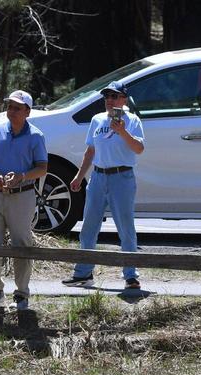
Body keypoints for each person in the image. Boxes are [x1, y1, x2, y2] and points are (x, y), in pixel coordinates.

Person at [63, 81, 145, 291]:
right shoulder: (97, 120)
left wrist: (123, 132)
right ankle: (83, 273)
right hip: (98, 177)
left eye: (115, 96)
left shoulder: (132, 120)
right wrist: (79, 176)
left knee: (125, 228)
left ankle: (130, 276)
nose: (110, 100)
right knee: (89, 227)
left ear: (124, 100)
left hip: (122, 177)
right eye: (107, 96)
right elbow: (90, 151)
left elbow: (139, 148)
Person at [0, 90, 48, 311]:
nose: (12, 111)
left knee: (22, 245)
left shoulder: (36, 136)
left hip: (23, 196)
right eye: (9, 106)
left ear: (27, 111)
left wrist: (22, 176)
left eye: (17, 107)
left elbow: (42, 168)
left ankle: (22, 295)